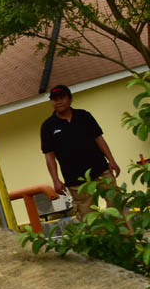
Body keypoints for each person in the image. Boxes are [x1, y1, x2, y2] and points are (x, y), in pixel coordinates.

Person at [40, 84, 122, 218]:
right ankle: (97, 239)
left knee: (116, 204)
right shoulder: (47, 126)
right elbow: (49, 156)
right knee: (88, 216)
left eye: (62, 97)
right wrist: (55, 180)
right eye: (55, 99)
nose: (58, 101)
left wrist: (111, 160)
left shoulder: (84, 115)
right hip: (75, 178)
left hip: (101, 169)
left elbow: (99, 139)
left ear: (70, 99)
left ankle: (126, 237)